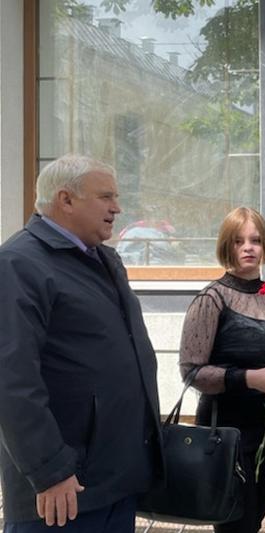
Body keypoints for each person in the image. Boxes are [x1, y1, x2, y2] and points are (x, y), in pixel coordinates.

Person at [0, 155, 162, 532]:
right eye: (105, 196)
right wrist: (49, 471)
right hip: (63, 491)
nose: (117, 208)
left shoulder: (102, 259)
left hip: (113, 481)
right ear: (66, 200)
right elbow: (11, 380)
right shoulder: (19, 264)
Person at [179, 207, 265, 533]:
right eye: (238, 241)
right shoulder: (211, 299)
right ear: (226, 246)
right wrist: (249, 379)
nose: (248, 248)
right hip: (228, 433)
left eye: (255, 240)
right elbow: (191, 371)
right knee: (235, 526)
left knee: (254, 523)